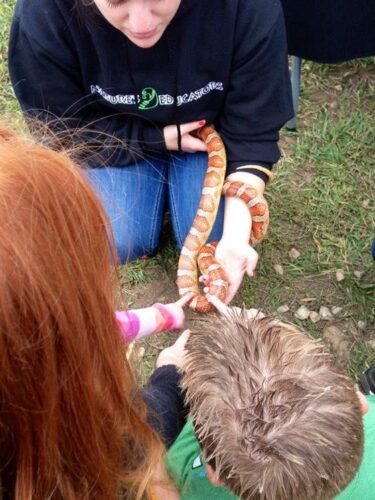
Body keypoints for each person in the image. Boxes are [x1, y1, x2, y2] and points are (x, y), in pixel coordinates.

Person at [8, 0, 293, 302]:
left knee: (217, 237)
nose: (141, 23)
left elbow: (253, 128)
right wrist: (155, 139)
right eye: (117, 0)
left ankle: (178, 192)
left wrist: (236, 234)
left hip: (208, 137)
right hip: (111, 135)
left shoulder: (248, 6)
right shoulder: (43, 13)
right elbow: (62, 132)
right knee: (116, 239)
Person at [0, 125, 192, 498]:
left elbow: (106, 328)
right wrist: (171, 381)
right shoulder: (72, 465)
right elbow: (122, 449)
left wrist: (164, 316)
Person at [166, 303, 375, 499]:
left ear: (213, 475)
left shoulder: (192, 485)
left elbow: (169, 470)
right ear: (362, 402)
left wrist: (168, 368)